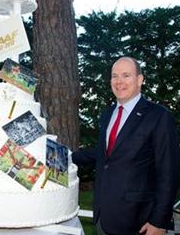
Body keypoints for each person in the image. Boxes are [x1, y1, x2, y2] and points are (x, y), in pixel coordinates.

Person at [72, 57, 180, 235]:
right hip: (104, 217)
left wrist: (159, 221)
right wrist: (66, 156)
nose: (119, 81)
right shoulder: (107, 115)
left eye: (126, 75)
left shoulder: (159, 116)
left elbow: (169, 173)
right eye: (115, 76)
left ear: (140, 80)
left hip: (139, 222)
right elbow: (104, 153)